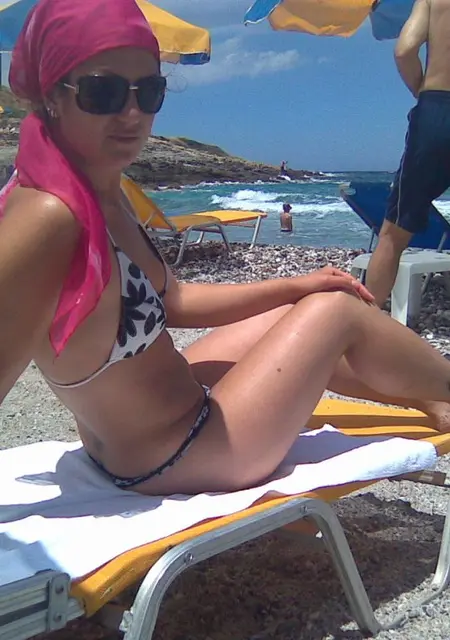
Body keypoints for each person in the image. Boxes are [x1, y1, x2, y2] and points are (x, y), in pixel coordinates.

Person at [2, 0, 450, 499]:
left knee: (299, 309)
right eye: (102, 92)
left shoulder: (99, 189)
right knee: (338, 312)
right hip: (183, 454)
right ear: (52, 95)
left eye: (148, 92)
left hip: (150, 438)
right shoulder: (48, 216)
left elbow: (174, 301)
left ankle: (430, 400)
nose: (132, 113)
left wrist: (297, 285)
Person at [365, 0, 450, 307]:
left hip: (437, 109)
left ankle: (365, 319)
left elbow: (404, 50)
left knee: (394, 234)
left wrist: (420, 91)